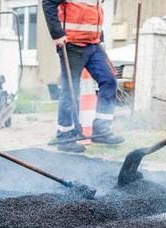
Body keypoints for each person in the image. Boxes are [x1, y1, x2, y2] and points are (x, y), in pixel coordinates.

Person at [43, 0, 125, 153]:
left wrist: (101, 38)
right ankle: (65, 136)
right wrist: (57, 34)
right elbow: (48, 3)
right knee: (71, 90)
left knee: (109, 81)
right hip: (72, 45)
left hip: (94, 45)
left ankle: (101, 130)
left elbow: (94, 15)